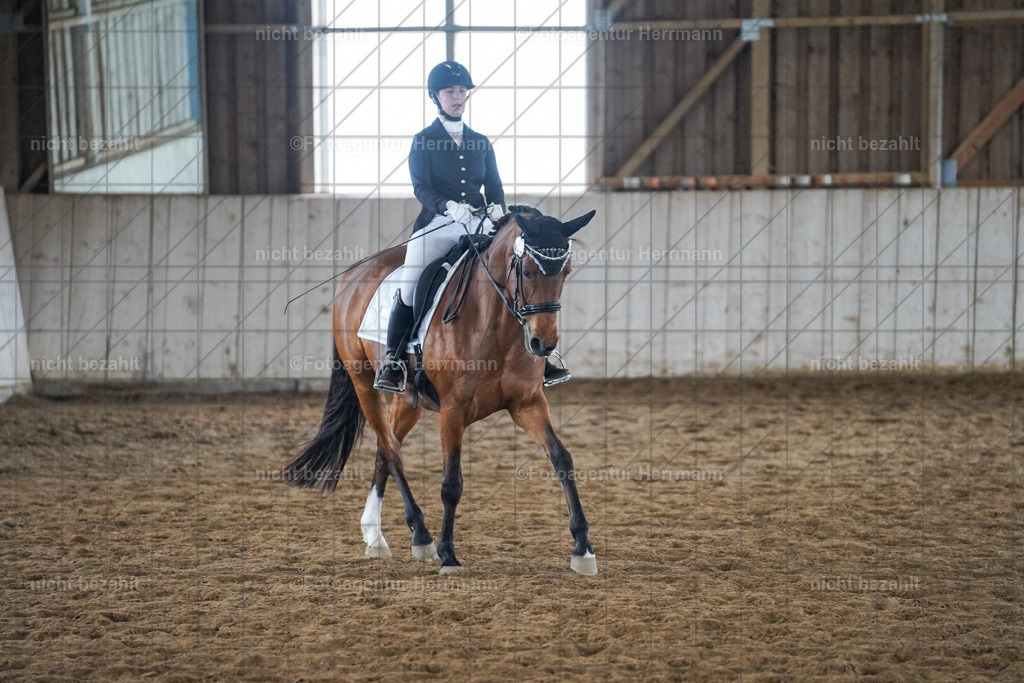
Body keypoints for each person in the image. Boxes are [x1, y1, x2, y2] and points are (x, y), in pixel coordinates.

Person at [373, 60, 571, 393]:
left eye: (462, 91)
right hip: (438, 223)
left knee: (517, 273)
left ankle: (540, 357)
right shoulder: (424, 140)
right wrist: (448, 207)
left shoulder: (480, 141)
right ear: (435, 97)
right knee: (410, 284)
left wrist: (497, 207)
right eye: (450, 91)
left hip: (481, 222)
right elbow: (421, 188)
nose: (458, 97)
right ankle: (394, 361)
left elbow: (493, 185)